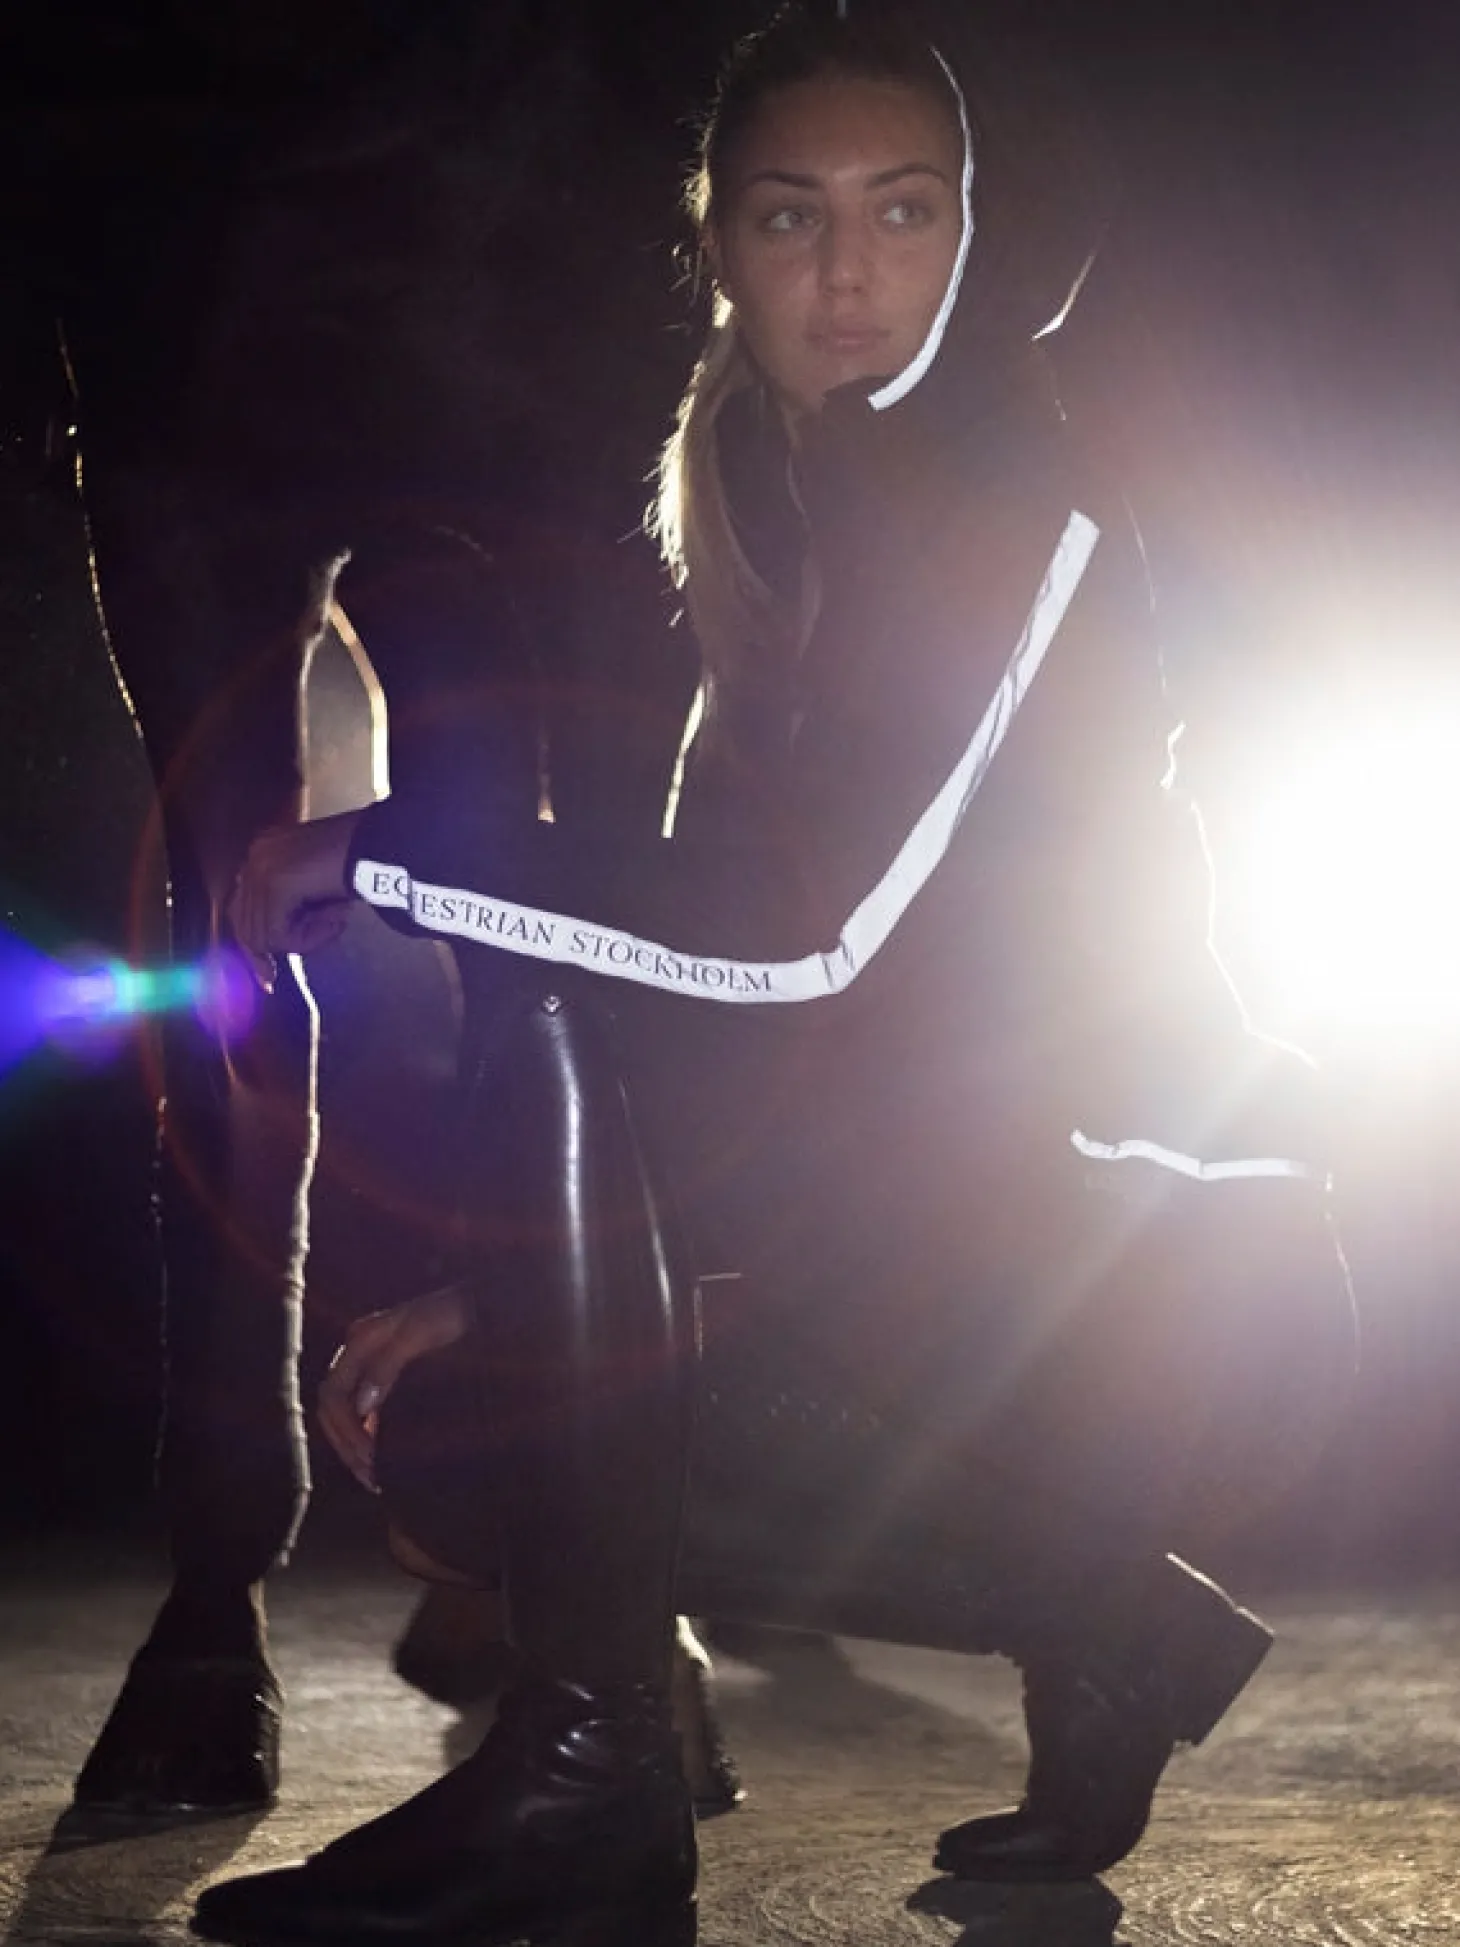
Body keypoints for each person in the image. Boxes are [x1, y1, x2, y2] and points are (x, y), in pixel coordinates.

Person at [197, 3, 1356, 1941]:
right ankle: (1106, 1622)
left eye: (906, 212)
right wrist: (517, 1294)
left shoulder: (1009, 492)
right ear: (718, 243)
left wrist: (385, 852)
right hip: (931, 1244)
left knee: (546, 984)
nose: (849, 274)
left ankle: (590, 1779)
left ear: (972, 229)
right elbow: (747, 1026)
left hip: (1149, 1268)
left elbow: (800, 949)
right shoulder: (771, 479)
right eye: (790, 215)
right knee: (463, 1436)